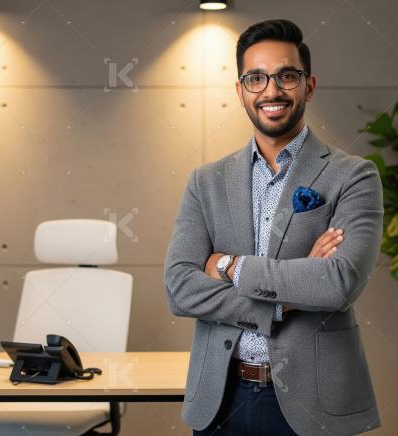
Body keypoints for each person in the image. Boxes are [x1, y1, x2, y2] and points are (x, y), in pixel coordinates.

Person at [164, 18, 383, 435]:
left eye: (287, 76)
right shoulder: (206, 182)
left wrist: (229, 267)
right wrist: (286, 300)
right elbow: (179, 288)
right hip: (220, 398)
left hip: (314, 404)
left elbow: (339, 283)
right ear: (240, 91)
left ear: (309, 85)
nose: (272, 90)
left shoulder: (354, 176)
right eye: (256, 78)